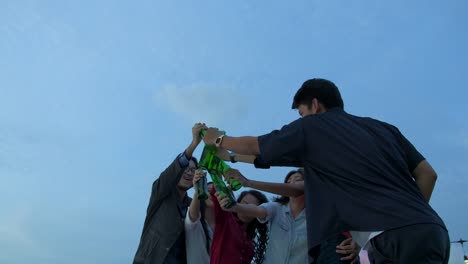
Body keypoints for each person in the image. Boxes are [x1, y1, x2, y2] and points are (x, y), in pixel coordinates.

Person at [202, 78, 449, 263]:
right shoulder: (385, 129)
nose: (301, 119)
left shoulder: (313, 127)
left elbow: (258, 145)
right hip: (431, 231)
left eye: (302, 113)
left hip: (389, 241)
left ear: (315, 105)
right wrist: (232, 158)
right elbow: (428, 174)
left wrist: (219, 140)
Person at [223, 168, 360, 264]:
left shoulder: (318, 216)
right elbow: (259, 211)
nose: (292, 183)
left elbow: (342, 234)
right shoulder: (277, 208)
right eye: (288, 182)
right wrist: (235, 206)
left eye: (297, 179)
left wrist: (356, 245)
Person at [133, 123, 207, 264]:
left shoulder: (193, 205)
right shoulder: (160, 193)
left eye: (193, 170)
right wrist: (194, 143)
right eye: (186, 169)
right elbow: (172, 172)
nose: (188, 172)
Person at [211, 188, 269, 264]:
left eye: (251, 207)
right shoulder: (226, 220)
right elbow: (217, 194)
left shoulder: (250, 239)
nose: (246, 209)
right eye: (244, 203)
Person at [184, 172, 215, 264]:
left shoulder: (226, 227)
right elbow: (193, 216)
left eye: (217, 191)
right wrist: (198, 190)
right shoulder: (197, 222)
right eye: (209, 190)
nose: (212, 194)